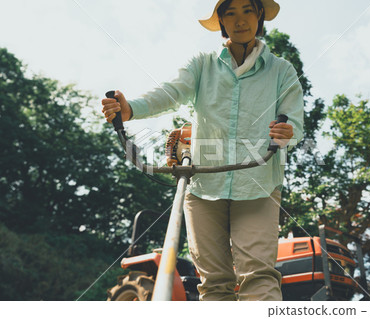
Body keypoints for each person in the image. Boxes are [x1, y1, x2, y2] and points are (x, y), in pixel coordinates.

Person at [101, 0, 304, 301]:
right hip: (203, 187)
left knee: (259, 276)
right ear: (221, 20)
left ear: (260, 15)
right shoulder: (202, 64)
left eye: (248, 10)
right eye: (230, 13)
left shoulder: (282, 71)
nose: (240, 20)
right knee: (214, 284)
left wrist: (287, 132)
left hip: (258, 184)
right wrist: (131, 109)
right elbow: (171, 92)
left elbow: (295, 121)